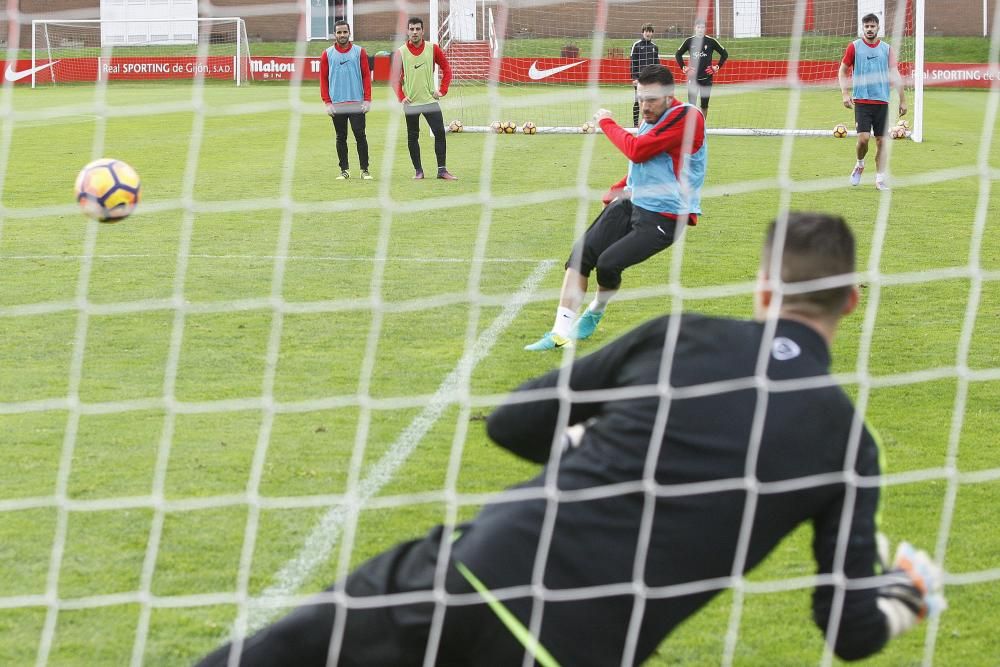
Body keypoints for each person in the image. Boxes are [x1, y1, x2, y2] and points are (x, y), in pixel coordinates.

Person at [196, 212, 944, 667]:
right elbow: (846, 632)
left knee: (281, 653)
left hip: (482, 569)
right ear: (850, 299)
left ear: (761, 291)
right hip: (581, 650)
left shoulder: (684, 336)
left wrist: (586, 435)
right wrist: (903, 602)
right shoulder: (851, 444)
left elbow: (515, 419)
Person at [524, 64, 705, 352]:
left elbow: (637, 149)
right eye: (640, 97)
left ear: (670, 96)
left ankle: (595, 311)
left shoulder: (688, 117)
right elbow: (646, 162)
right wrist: (620, 186)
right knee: (580, 255)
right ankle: (559, 333)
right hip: (631, 200)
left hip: (666, 215)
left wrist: (606, 122)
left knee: (608, 264)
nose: (644, 106)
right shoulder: (651, 116)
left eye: (652, 99)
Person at [838, 12, 907, 191]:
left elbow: (895, 74)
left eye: (872, 26)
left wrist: (902, 100)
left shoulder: (887, 49)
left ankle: (880, 179)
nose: (869, 29)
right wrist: (845, 94)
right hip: (862, 100)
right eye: (867, 26)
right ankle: (860, 164)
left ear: (878, 28)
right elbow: (842, 70)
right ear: (863, 28)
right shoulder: (854, 47)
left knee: (882, 142)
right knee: (863, 139)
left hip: (882, 101)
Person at [391, 16, 457, 180]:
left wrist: (442, 90)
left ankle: (442, 170)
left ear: (423, 31)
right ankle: (418, 171)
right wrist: (401, 97)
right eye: (411, 29)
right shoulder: (401, 52)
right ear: (407, 31)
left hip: (430, 101)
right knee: (413, 137)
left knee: (440, 133)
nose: (414, 32)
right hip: (411, 103)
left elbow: (447, 69)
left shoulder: (432, 48)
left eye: (417, 29)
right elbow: (394, 79)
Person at [320, 20, 373, 181]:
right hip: (337, 104)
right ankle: (344, 170)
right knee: (340, 137)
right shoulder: (327, 54)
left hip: (357, 103)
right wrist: (327, 102)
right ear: (334, 34)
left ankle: (365, 170)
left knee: (360, 136)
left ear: (349, 33)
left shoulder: (359, 52)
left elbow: (366, 76)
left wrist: (367, 99)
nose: (342, 35)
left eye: (345, 32)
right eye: (339, 32)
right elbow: (323, 79)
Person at [674, 18, 728, 120]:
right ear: (695, 28)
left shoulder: (711, 41)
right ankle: (692, 127)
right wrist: (684, 67)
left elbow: (725, 54)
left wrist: (717, 67)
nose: (700, 29)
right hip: (693, 80)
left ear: (705, 29)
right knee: (692, 106)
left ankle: (702, 126)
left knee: (704, 105)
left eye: (702, 27)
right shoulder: (689, 41)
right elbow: (678, 54)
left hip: (707, 80)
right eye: (698, 27)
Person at [629, 22, 660, 128]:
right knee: (638, 101)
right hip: (639, 80)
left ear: (652, 33)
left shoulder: (654, 47)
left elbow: (657, 64)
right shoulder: (636, 45)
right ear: (643, 32)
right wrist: (634, 78)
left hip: (651, 80)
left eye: (650, 31)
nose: (648, 33)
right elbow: (633, 62)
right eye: (646, 31)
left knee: (651, 101)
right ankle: (635, 125)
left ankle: (647, 124)